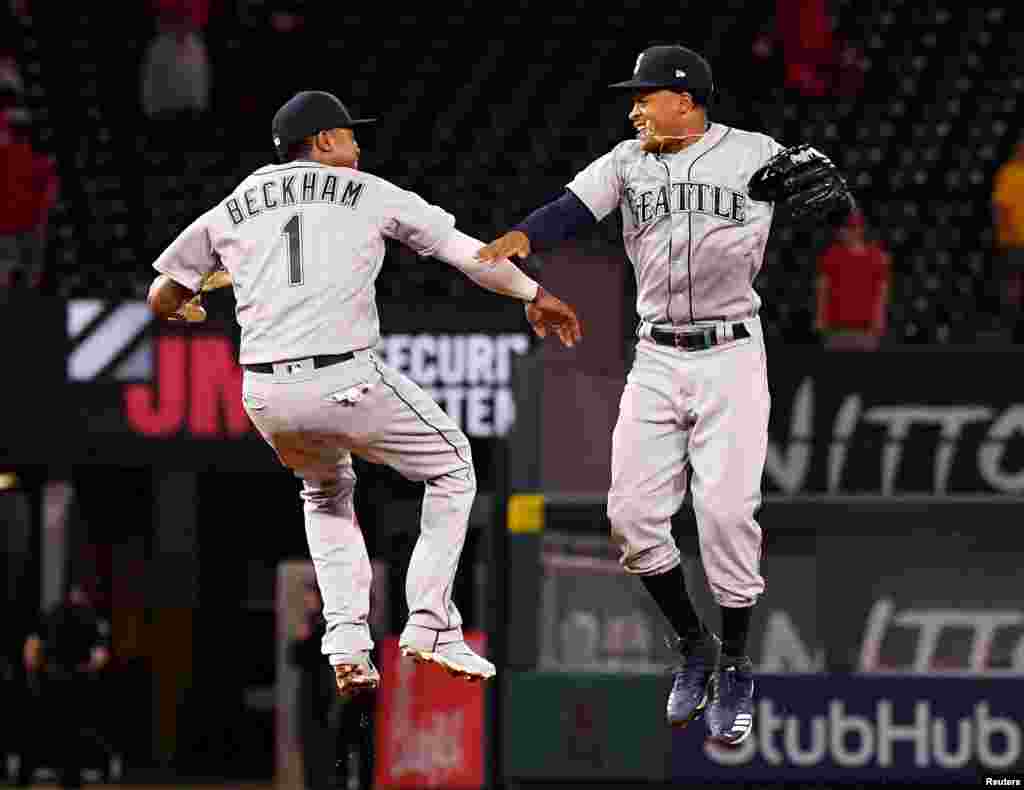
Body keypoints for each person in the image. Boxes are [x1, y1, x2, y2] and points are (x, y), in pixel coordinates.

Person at [145, 90, 582, 695]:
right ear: (323, 142)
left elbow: (162, 294)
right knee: (454, 466)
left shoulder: (236, 203)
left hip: (266, 393)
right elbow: (468, 254)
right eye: (348, 135)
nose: (357, 143)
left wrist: (183, 307)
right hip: (343, 376)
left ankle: (347, 643)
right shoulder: (369, 191)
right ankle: (430, 624)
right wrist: (537, 295)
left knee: (324, 493)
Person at [477, 44, 849, 745]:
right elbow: (571, 207)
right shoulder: (627, 160)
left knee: (728, 515)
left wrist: (825, 197)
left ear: (686, 98)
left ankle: (737, 662)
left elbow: (826, 206)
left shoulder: (751, 154)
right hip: (656, 356)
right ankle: (693, 644)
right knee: (631, 519)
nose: (636, 107)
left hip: (732, 355)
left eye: (647, 95)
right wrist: (524, 236)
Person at [18, 583, 111, 788]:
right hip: (74, 678)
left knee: (42, 727)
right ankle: (70, 779)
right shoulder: (92, 618)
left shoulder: (51, 613)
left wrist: (32, 673)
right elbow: (99, 655)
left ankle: (25, 774)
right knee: (72, 731)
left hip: (50, 676)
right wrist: (90, 672)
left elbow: (32, 646)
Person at [815, 207, 890, 350]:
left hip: (865, 328)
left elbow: (881, 292)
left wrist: (879, 320)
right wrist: (820, 318)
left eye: (850, 228)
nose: (845, 232)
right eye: (844, 228)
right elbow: (823, 289)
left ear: (860, 230)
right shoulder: (832, 255)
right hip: (836, 328)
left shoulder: (876, 256)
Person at [992, 133, 1024, 342]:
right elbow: (1000, 208)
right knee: (1014, 287)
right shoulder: (1007, 173)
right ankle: (1012, 328)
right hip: (1014, 243)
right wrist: (1007, 235)